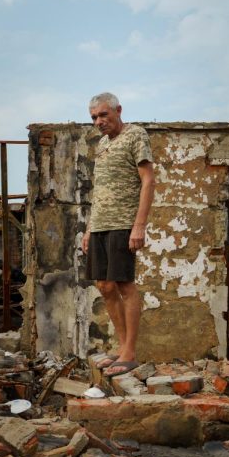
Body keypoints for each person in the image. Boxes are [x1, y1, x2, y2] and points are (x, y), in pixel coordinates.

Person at [81, 92, 155, 377]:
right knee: (104, 285)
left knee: (124, 284)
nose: (99, 122)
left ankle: (129, 352)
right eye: (94, 118)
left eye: (103, 115)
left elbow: (147, 181)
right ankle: (121, 348)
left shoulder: (136, 135)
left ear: (118, 110)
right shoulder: (101, 145)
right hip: (100, 224)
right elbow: (99, 191)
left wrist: (139, 225)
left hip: (124, 223)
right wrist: (89, 228)